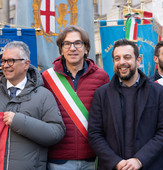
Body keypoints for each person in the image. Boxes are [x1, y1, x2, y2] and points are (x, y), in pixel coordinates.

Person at [88, 39, 163, 170]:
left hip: (149, 165)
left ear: (138, 61)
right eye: (117, 58)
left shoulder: (157, 91)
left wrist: (139, 160)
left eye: (127, 57)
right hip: (114, 167)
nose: (122, 62)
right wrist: (116, 162)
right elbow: (95, 134)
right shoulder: (101, 94)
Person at [42, 25, 110, 170]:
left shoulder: (102, 77)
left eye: (78, 43)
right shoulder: (47, 78)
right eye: (67, 44)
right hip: (58, 160)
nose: (72, 48)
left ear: (86, 49)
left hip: (93, 159)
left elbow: (109, 115)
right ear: (61, 50)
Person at [0, 41, 65, 170]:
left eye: (11, 61)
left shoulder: (43, 95)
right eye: (3, 61)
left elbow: (56, 133)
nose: (5, 66)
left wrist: (19, 121)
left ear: (26, 64)